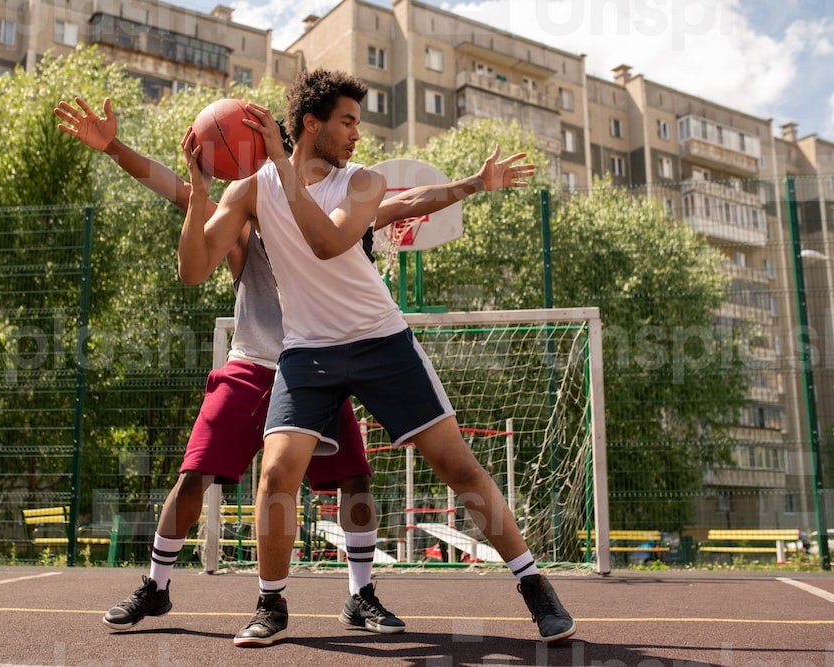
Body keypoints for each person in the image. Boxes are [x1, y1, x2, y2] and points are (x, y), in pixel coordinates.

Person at [54, 96, 525, 636]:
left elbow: (409, 199)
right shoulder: (247, 212)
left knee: (354, 479)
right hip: (255, 363)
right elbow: (174, 187)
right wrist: (113, 145)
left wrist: (472, 183)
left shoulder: (335, 211)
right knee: (194, 478)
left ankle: (361, 594)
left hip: (318, 366)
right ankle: (156, 586)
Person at [179, 69, 574, 647]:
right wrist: (196, 195)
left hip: (380, 341)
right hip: (308, 352)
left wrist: (471, 184)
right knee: (276, 473)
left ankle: (535, 587)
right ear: (310, 124)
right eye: (347, 121)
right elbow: (192, 271)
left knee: (458, 467)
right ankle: (271, 603)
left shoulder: (361, 182)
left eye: (357, 123)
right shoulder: (249, 190)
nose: (356, 133)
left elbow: (327, 242)